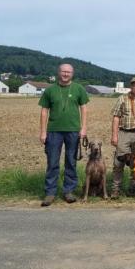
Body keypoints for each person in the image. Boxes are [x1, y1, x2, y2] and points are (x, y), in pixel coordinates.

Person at [38, 63, 89, 206]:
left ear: (72, 74)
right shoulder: (50, 90)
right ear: (58, 72)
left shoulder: (79, 89)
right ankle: (50, 193)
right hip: (53, 131)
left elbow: (84, 109)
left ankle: (69, 191)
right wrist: (43, 132)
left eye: (69, 72)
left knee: (71, 162)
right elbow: (44, 112)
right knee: (52, 162)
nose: (66, 74)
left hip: (73, 131)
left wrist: (83, 128)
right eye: (63, 71)